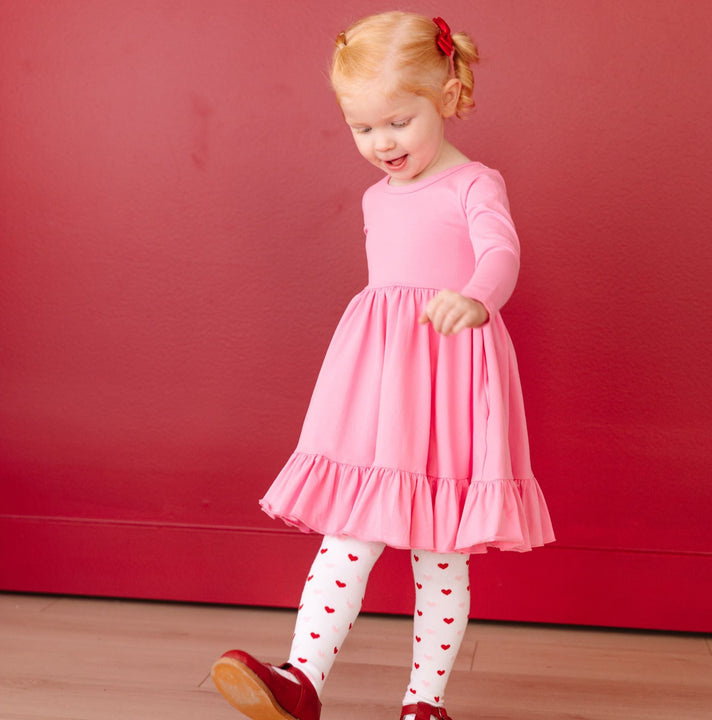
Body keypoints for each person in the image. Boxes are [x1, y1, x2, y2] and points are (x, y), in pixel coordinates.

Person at [211, 11, 555, 720]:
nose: (381, 144)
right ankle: (301, 678)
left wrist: (475, 299)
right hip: (383, 383)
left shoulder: (473, 184)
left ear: (448, 97)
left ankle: (423, 703)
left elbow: (500, 253)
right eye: (362, 129)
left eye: (397, 122)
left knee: (440, 550)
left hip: (452, 377)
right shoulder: (375, 197)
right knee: (350, 529)